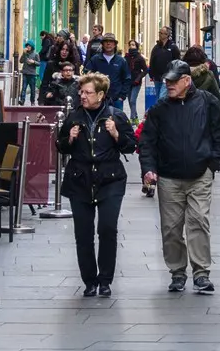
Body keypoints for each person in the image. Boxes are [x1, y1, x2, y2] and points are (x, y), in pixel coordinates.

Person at [138, 63, 220, 294]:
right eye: (167, 81)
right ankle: (177, 272)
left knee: (199, 222)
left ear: (187, 81)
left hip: (200, 174)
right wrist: (148, 169)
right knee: (171, 228)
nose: (168, 85)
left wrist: (212, 164)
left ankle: (201, 273)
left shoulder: (208, 102)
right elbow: (147, 142)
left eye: (173, 81)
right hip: (169, 178)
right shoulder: (160, 109)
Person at [57, 71, 138, 298]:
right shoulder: (74, 117)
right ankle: (89, 281)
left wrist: (116, 135)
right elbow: (61, 147)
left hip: (109, 179)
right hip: (79, 180)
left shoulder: (116, 117)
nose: (82, 95)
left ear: (101, 95)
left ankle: (105, 280)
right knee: (83, 233)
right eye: (81, 91)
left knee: (107, 229)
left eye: (88, 92)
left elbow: (131, 146)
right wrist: (69, 139)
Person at [87, 35, 133, 109]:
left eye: (111, 42)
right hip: (99, 99)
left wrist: (122, 96)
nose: (108, 44)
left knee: (116, 120)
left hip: (116, 100)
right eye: (106, 42)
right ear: (102, 44)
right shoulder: (95, 59)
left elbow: (127, 79)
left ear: (114, 45)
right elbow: (88, 76)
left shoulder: (121, 61)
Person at [146, 34, 180, 113]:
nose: (160, 35)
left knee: (162, 96)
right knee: (158, 96)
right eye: (159, 33)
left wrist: (175, 74)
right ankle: (162, 113)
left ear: (167, 35)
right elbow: (152, 60)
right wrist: (151, 73)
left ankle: (159, 113)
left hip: (168, 77)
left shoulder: (173, 47)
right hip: (157, 76)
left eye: (162, 33)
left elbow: (177, 61)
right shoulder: (156, 47)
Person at [122, 43, 148, 118]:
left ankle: (132, 119)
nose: (131, 46)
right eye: (130, 45)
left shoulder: (140, 58)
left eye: (133, 45)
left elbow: (145, 70)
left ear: (136, 47)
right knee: (130, 101)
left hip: (136, 82)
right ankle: (135, 117)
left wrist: (139, 77)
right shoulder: (126, 57)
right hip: (128, 81)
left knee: (132, 100)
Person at [18, 40, 41, 104]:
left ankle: (32, 101)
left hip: (32, 74)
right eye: (27, 46)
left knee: (32, 89)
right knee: (24, 88)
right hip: (25, 73)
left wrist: (33, 62)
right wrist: (23, 53)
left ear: (32, 47)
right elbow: (21, 61)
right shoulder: (25, 53)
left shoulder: (36, 54)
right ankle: (22, 100)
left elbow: (39, 63)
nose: (28, 47)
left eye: (29, 46)